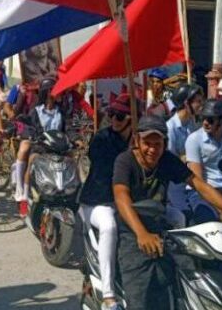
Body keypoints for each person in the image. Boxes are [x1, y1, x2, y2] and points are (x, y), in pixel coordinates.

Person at [112, 115, 222, 310]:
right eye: (147, 143)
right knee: (140, 293)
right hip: (132, 231)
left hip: (160, 226)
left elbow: (200, 185)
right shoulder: (125, 161)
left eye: (157, 144)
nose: (152, 149)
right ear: (137, 141)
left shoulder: (166, 160)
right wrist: (141, 233)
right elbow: (121, 196)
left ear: (165, 143)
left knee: (191, 274)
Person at [78, 93, 133, 310]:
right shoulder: (102, 139)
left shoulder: (140, 140)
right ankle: (109, 296)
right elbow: (107, 165)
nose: (113, 119)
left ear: (132, 118)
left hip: (127, 201)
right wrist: (130, 153)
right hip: (98, 202)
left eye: (119, 116)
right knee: (109, 226)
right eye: (111, 114)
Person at [183, 100, 222, 224]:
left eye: (210, 119)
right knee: (209, 221)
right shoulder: (194, 140)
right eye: (203, 118)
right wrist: (220, 208)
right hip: (200, 192)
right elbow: (198, 182)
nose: (205, 122)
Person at [14, 78, 66, 216]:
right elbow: (30, 127)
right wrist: (31, 136)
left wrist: (76, 139)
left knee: (71, 160)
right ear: (48, 92)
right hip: (41, 147)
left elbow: (68, 129)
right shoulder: (36, 111)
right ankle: (24, 196)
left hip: (58, 148)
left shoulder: (61, 111)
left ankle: (72, 191)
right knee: (32, 159)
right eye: (55, 89)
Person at [165, 84, 203, 224]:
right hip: (175, 188)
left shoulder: (191, 124)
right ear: (187, 103)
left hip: (192, 182)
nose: (201, 105)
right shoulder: (170, 128)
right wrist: (190, 157)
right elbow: (171, 160)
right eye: (198, 101)